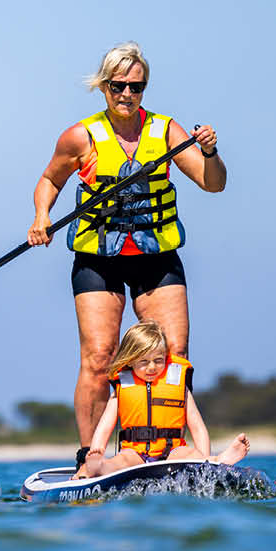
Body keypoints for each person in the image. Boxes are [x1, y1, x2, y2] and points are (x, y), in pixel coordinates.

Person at [26, 41, 226, 475]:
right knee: (99, 360)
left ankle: (171, 449)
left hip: (157, 256)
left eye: (136, 86)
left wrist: (209, 152)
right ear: (104, 86)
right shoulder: (80, 136)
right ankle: (90, 457)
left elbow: (214, 184)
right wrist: (41, 216)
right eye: (118, 85)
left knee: (173, 356)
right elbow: (49, 180)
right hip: (100, 258)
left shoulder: (166, 131)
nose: (127, 94)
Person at [76, 320, 249, 479]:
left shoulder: (178, 385)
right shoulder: (122, 387)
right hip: (135, 453)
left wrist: (202, 457)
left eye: (158, 360)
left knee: (188, 455)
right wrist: (96, 451)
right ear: (130, 360)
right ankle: (98, 466)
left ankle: (215, 460)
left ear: (165, 358)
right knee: (120, 462)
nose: (152, 367)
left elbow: (198, 427)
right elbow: (105, 426)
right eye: (143, 361)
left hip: (172, 451)